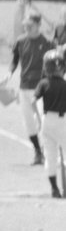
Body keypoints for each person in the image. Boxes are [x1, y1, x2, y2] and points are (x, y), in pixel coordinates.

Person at [8, 10, 53, 166]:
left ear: (38, 25)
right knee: (28, 122)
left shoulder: (47, 43)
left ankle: (49, 152)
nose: (26, 27)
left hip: (40, 89)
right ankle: (38, 152)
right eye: (25, 24)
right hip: (23, 87)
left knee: (43, 121)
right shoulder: (20, 41)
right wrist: (9, 73)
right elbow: (15, 59)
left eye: (30, 25)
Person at [39, 51, 66, 200]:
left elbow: (33, 101)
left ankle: (54, 189)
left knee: (50, 156)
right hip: (62, 121)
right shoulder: (64, 83)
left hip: (46, 121)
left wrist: (38, 118)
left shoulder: (43, 83)